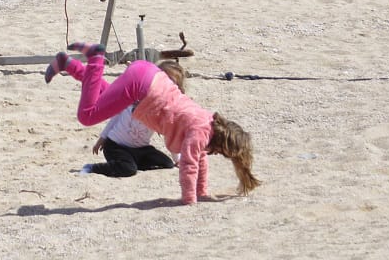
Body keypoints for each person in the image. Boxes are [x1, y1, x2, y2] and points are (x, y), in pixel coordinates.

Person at [46, 43, 260, 205]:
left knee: (103, 93)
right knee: (87, 115)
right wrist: (189, 199)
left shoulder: (207, 121)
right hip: (143, 86)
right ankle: (95, 58)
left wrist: (202, 192)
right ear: (222, 144)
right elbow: (188, 164)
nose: (214, 154)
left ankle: (69, 65)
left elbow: (200, 158)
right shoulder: (199, 133)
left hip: (148, 75)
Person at [69, 59, 180, 177]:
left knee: (167, 163)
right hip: (116, 146)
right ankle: (92, 167)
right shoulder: (136, 96)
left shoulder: (164, 109)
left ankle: (130, 163)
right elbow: (116, 116)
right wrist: (102, 138)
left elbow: (170, 135)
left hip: (141, 149)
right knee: (128, 170)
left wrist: (177, 159)